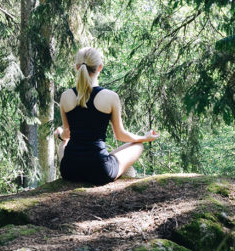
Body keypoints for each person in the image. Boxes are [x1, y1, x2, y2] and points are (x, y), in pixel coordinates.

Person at [57, 47, 159, 185]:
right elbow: (120, 135)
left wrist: (59, 134)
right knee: (138, 146)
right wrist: (145, 138)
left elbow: (67, 134)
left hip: (69, 170)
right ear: (100, 67)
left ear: (77, 67)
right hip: (99, 171)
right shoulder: (110, 97)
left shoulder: (65, 96)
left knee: (64, 143)